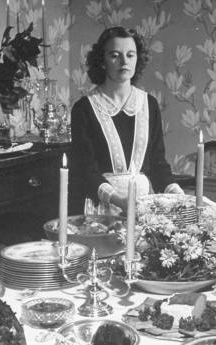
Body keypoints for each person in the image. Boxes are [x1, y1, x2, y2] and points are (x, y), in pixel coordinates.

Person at [70, 26, 183, 214]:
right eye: (115, 55)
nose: (124, 61)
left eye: (130, 55)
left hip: (144, 207)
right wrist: (119, 201)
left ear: (138, 59)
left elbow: (158, 164)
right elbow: (86, 170)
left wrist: (178, 194)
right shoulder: (84, 109)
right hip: (102, 209)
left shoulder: (149, 104)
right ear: (102, 61)